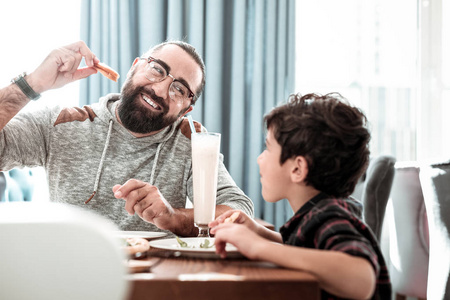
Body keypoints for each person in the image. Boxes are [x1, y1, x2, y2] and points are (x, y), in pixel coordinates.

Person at [0, 40, 254, 237]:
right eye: (157, 69)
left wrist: (173, 217)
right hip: (70, 274)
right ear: (135, 66)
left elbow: (239, 209)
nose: (160, 90)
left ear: (186, 110)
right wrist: (32, 84)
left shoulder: (191, 140)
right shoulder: (63, 122)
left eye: (179, 89)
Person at [210, 93, 391, 299]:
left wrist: (257, 246)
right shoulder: (318, 215)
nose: (260, 159)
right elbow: (306, 248)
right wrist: (258, 232)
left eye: (268, 148)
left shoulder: (332, 218)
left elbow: (362, 278)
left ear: (298, 169)